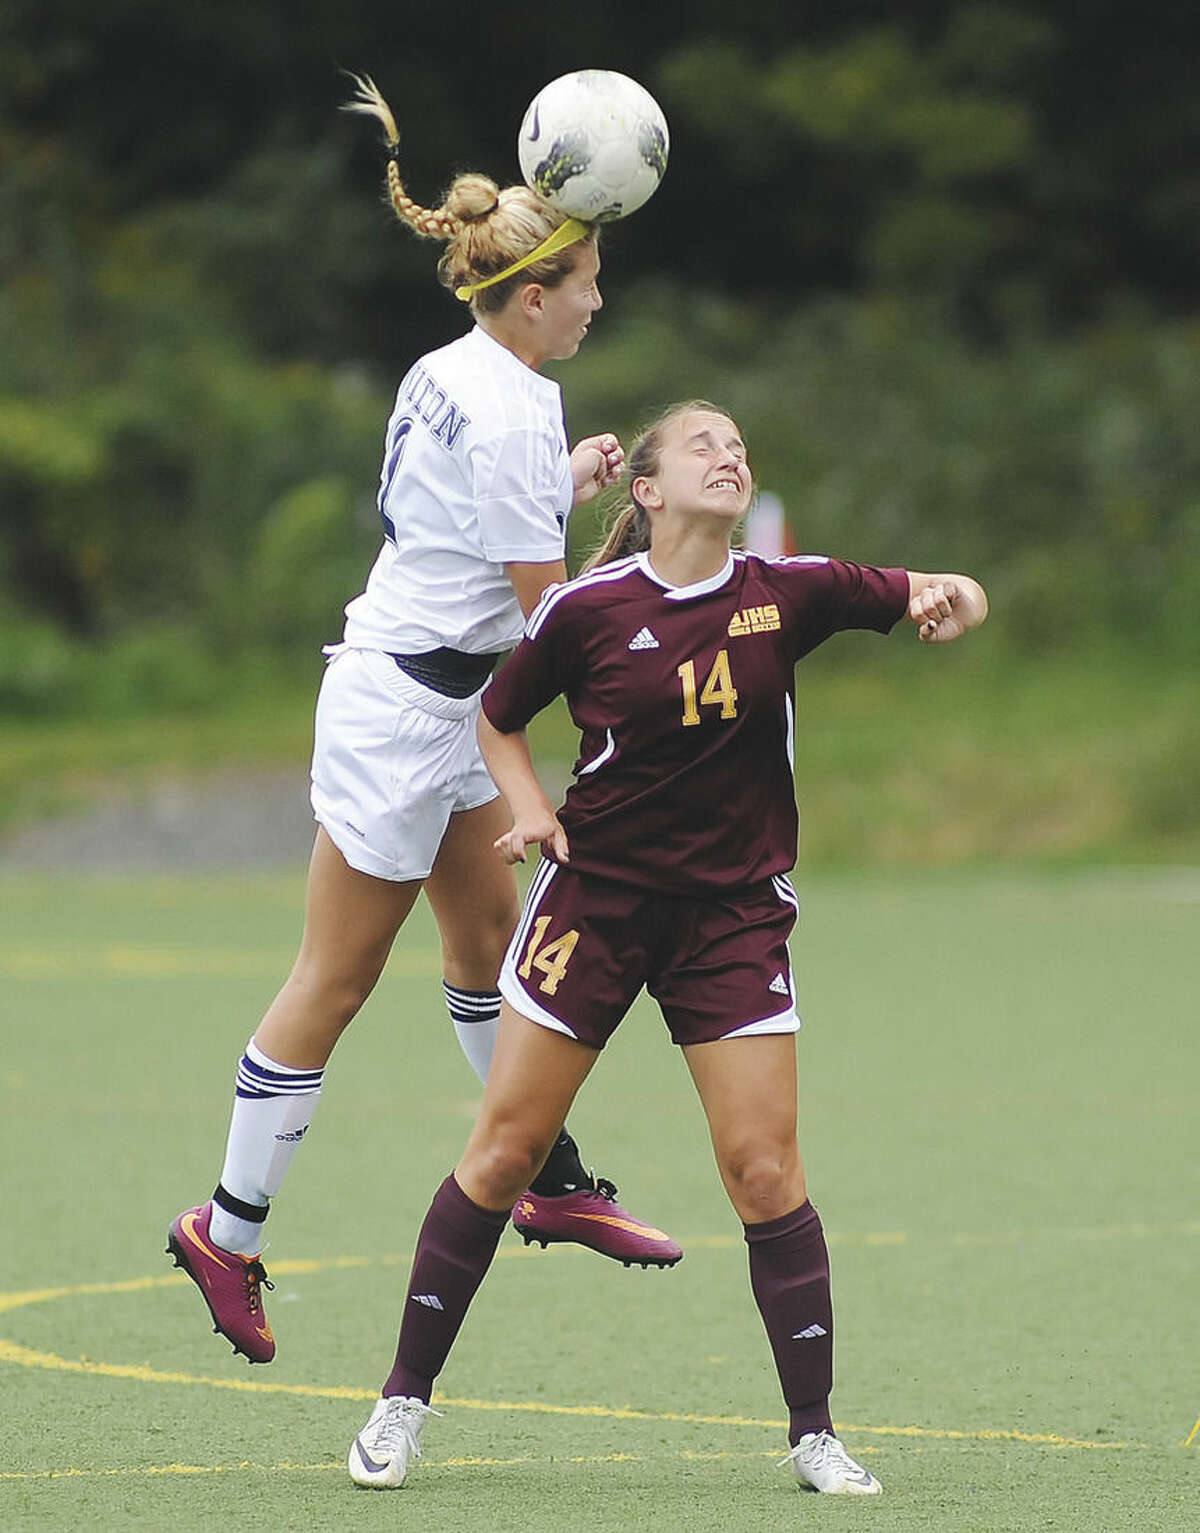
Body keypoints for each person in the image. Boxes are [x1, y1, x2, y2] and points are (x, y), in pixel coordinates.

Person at [345, 400, 988, 1495]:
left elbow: (942, 586)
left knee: (763, 1169)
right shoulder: (586, 609)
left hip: (731, 915)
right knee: (503, 1155)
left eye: (740, 445)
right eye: (704, 443)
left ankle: (815, 1434)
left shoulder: (788, 591)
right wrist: (532, 810)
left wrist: (951, 598)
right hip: (595, 902)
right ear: (645, 491)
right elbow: (497, 717)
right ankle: (400, 1404)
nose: (730, 455)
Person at [165, 75, 681, 1368]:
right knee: (333, 979)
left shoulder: (458, 366)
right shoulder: (517, 406)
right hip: (406, 713)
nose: (598, 303)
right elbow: (548, 622)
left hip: (441, 694)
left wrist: (568, 494)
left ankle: (547, 1175)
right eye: (585, 286)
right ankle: (224, 1230)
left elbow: (480, 526)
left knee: (488, 943)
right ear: (527, 296)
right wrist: (639, 579)